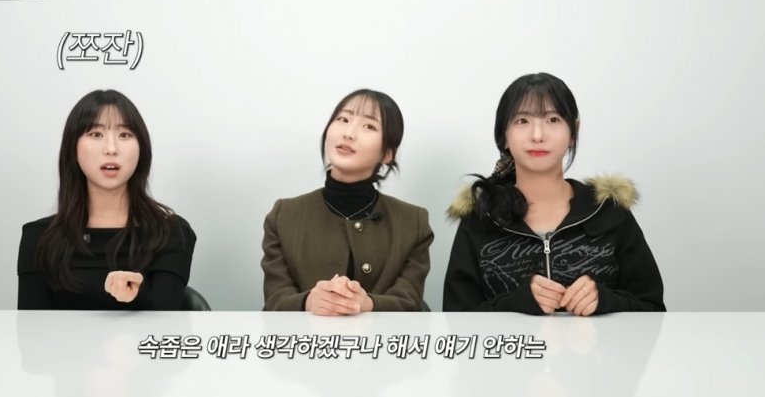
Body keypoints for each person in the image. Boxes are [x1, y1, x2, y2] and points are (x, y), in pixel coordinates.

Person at [443, 73, 665, 315]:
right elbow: (456, 318)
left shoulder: (609, 211)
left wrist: (607, 301)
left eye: (553, 119)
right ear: (503, 135)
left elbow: (653, 310)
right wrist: (515, 304)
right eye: (522, 121)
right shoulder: (481, 217)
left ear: (573, 132)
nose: (538, 135)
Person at [17, 89, 196, 310]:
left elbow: (167, 320)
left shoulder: (170, 233)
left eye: (125, 135)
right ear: (73, 148)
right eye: (96, 134)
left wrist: (138, 293)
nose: (111, 149)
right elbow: (31, 328)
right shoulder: (39, 238)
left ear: (141, 149)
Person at [261, 89, 433, 314]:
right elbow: (275, 299)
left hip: (383, 337)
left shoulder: (413, 222)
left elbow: (409, 300)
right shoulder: (284, 216)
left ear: (388, 153)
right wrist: (309, 302)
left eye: (369, 126)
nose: (349, 133)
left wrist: (368, 303)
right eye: (343, 119)